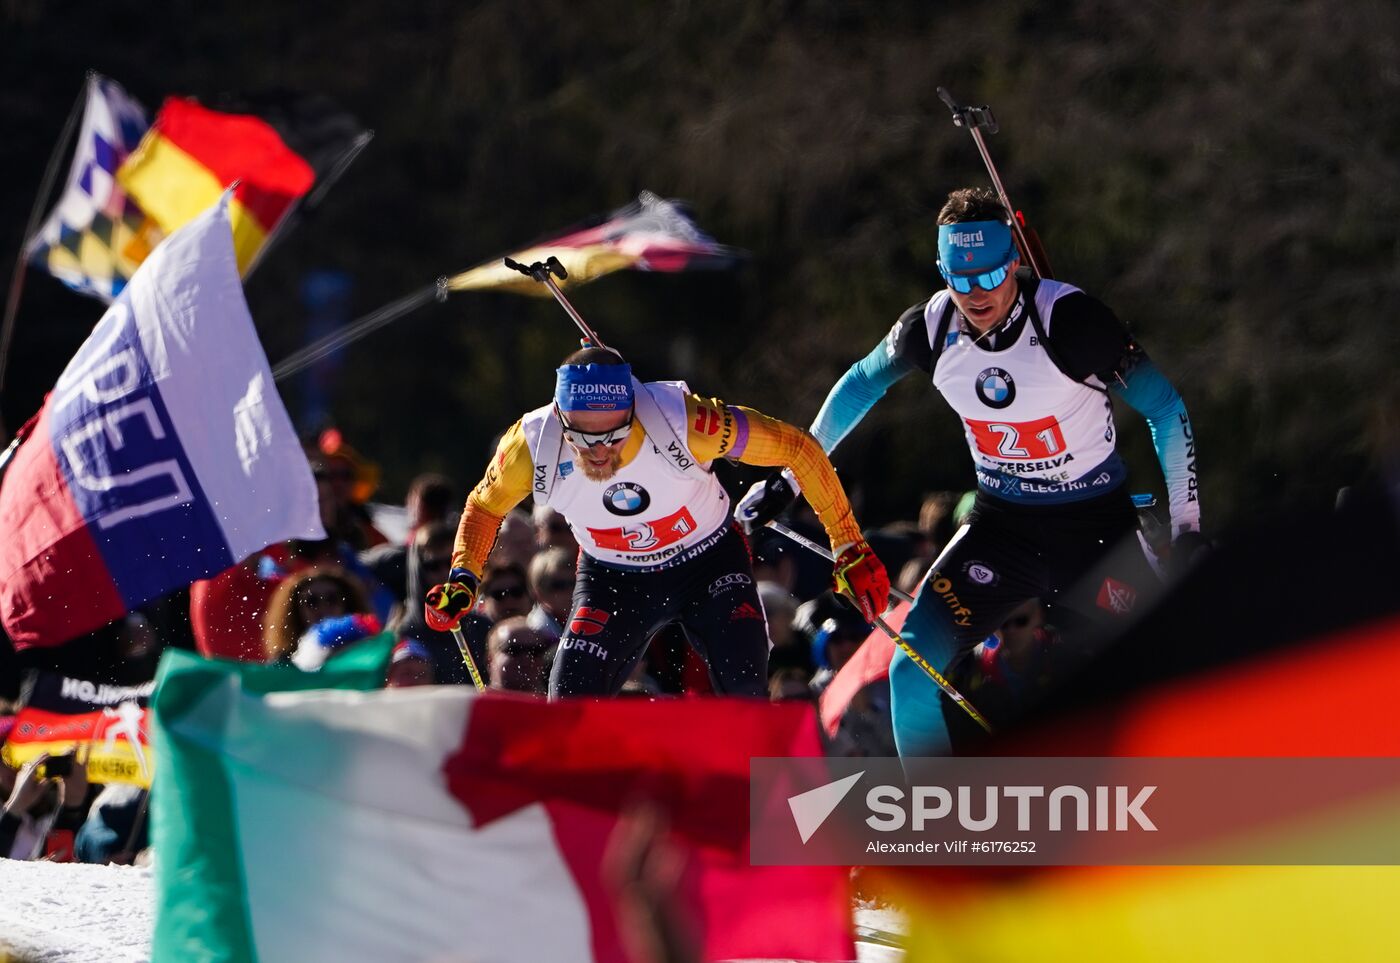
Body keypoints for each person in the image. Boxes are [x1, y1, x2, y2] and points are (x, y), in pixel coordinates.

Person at [738, 186, 1202, 756]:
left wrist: (1188, 531)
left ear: (1013, 263)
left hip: (1094, 528)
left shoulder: (1070, 320)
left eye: (988, 276)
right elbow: (859, 386)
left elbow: (1166, 409)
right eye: (960, 279)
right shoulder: (931, 329)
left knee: (1176, 665)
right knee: (910, 671)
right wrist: (789, 480)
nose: (976, 294)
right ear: (943, 271)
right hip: (1001, 530)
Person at [425, 346, 889, 698]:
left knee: (745, 691)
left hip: (707, 565)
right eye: (583, 438)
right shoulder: (530, 444)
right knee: (567, 700)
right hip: (613, 578)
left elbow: (799, 448)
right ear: (561, 418)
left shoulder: (683, 421)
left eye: (614, 434)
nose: (600, 451)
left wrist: (849, 544)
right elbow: (484, 507)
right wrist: (463, 576)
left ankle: (755, 814)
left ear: (632, 412)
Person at [486, 617, 553, 694]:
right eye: (514, 650)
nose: (526, 659)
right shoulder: (472, 703)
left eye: (534, 651)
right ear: (490, 660)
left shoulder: (554, 703)